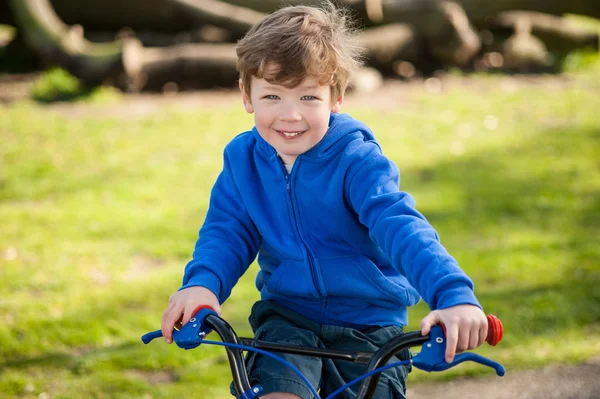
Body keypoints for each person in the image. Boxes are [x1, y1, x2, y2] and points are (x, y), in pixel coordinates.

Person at [161, 2, 488, 398]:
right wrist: (202, 285)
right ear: (247, 96)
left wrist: (453, 296)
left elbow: (401, 227)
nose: (291, 115)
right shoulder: (242, 161)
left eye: (308, 98)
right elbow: (227, 232)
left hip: (368, 322)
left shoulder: (357, 160)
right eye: (272, 97)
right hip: (288, 317)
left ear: (336, 97)